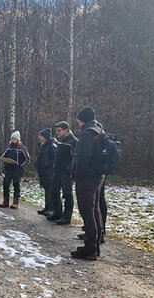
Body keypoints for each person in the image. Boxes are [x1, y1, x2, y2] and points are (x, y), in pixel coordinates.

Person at [71, 106, 104, 260]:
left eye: (78, 119)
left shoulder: (87, 134)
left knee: (87, 211)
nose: (77, 122)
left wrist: (77, 175)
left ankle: (90, 247)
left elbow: (83, 157)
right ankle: (95, 244)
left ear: (82, 119)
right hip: (98, 176)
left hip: (87, 178)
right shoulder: (99, 130)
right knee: (95, 209)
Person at [47, 121, 78, 225]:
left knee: (67, 194)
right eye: (57, 131)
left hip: (66, 172)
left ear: (66, 130)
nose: (57, 133)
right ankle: (57, 212)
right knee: (54, 192)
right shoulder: (60, 141)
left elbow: (74, 158)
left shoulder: (73, 141)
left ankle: (66, 216)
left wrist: (69, 170)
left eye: (59, 131)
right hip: (57, 170)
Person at [0, 131, 29, 209]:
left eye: (14, 139)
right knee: (6, 184)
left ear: (17, 139)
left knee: (16, 184)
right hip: (8, 169)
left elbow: (27, 159)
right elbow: (3, 156)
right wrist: (4, 161)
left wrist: (20, 165)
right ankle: (5, 201)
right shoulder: (8, 148)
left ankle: (15, 202)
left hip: (17, 170)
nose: (12, 140)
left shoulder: (22, 148)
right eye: (11, 138)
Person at [36, 128, 57, 216]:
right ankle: (47, 207)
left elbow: (55, 158)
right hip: (44, 172)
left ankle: (52, 208)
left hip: (49, 172)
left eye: (40, 136)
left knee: (50, 190)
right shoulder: (43, 145)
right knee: (46, 189)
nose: (39, 137)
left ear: (45, 137)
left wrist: (47, 165)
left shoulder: (52, 145)